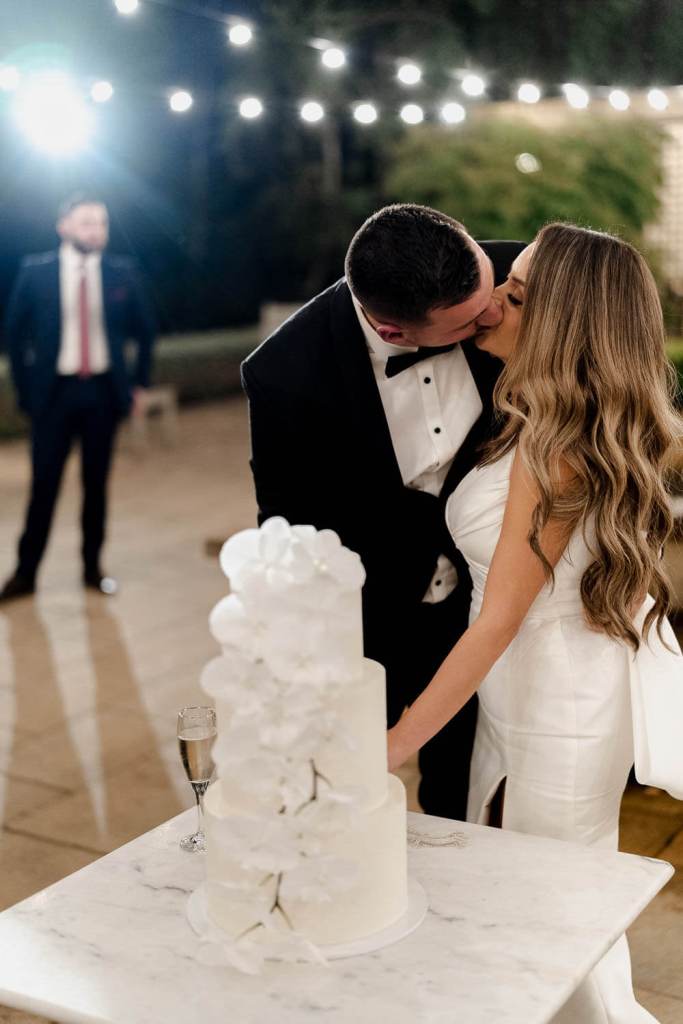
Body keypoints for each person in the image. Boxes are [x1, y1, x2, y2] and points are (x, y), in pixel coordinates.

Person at [387, 222, 683, 1023]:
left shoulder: (557, 448)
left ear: (561, 323)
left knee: (558, 927)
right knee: (530, 911)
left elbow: (496, 620)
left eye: (515, 295)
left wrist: (390, 745)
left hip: (560, 709)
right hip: (519, 694)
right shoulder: (534, 416)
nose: (491, 310)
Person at [242, 203, 524, 821]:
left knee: (469, 790)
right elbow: (289, 533)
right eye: (472, 321)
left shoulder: (515, 277)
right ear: (395, 332)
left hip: (488, 597)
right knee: (349, 792)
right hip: (374, 618)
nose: (497, 312)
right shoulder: (286, 374)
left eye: (490, 291)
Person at [0, 194, 157, 601]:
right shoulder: (36, 272)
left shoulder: (122, 272)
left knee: (96, 485)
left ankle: (92, 568)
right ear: (64, 226)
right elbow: (14, 336)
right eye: (87, 222)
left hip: (103, 393)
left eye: (102, 223)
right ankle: (25, 573)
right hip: (54, 395)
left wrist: (137, 384)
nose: (96, 231)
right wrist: (26, 390)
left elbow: (146, 331)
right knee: (44, 486)